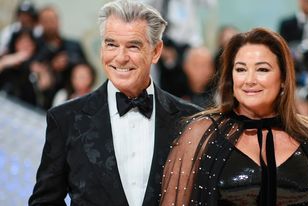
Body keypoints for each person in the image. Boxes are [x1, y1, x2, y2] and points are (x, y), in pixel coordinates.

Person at [28, 0, 200, 205]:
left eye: (133, 46)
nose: (121, 57)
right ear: (102, 49)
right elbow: (44, 202)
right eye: (111, 44)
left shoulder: (192, 121)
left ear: (156, 51)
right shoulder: (65, 119)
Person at [160, 28, 308, 205]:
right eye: (241, 69)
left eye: (262, 69)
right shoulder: (201, 134)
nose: (249, 80)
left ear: (284, 79)